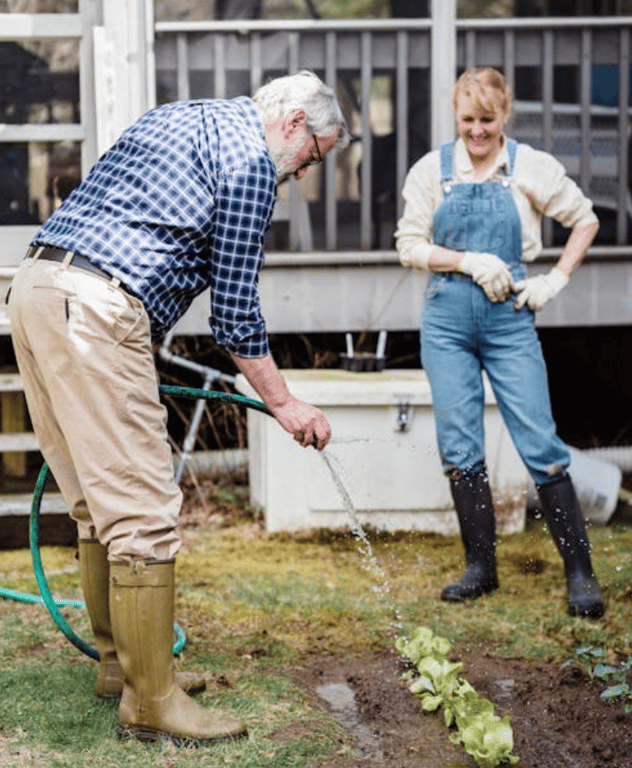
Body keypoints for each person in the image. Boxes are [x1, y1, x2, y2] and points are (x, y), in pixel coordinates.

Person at [7, 70, 350, 746]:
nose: (301, 175)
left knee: (95, 502)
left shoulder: (182, 115)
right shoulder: (254, 161)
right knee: (141, 509)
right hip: (99, 307)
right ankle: (152, 700)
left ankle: (121, 667)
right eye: (314, 158)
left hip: (37, 288)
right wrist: (283, 404)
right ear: (294, 126)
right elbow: (236, 313)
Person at [395, 67, 604, 620]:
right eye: (468, 121)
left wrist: (554, 280)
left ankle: (580, 574)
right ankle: (480, 569)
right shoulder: (431, 171)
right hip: (446, 320)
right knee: (460, 445)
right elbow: (409, 245)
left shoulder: (530, 167)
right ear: (456, 116)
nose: (478, 133)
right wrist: (467, 259)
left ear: (505, 115)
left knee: (540, 441)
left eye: (488, 121)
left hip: (510, 317)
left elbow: (584, 220)